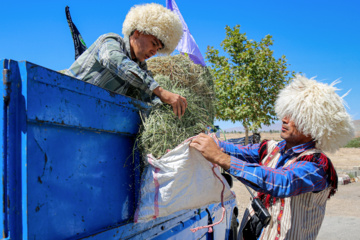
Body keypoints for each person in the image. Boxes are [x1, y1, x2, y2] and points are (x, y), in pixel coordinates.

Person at [190, 75, 355, 240]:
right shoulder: (273, 148)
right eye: (286, 112)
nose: (284, 119)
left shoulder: (317, 165)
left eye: (295, 116)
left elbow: (283, 182)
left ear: (313, 124)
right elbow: (237, 150)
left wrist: (222, 159)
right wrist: (212, 142)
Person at [66, 3, 187, 118]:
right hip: (64, 98)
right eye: (153, 43)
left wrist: (168, 111)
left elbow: (149, 95)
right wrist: (160, 91)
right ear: (137, 33)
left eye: (158, 49)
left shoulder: (141, 67)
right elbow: (116, 61)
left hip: (85, 113)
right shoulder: (109, 40)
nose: (154, 52)